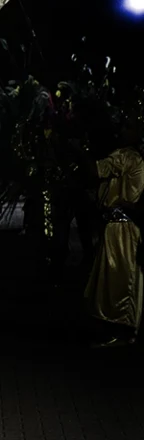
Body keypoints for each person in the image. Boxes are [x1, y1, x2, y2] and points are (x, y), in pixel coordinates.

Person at [83, 119, 144, 347]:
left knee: (118, 279)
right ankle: (118, 329)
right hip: (121, 228)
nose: (121, 131)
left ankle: (120, 330)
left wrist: (79, 151)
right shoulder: (132, 156)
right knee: (113, 279)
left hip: (122, 230)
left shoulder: (127, 156)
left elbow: (94, 170)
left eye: (127, 127)